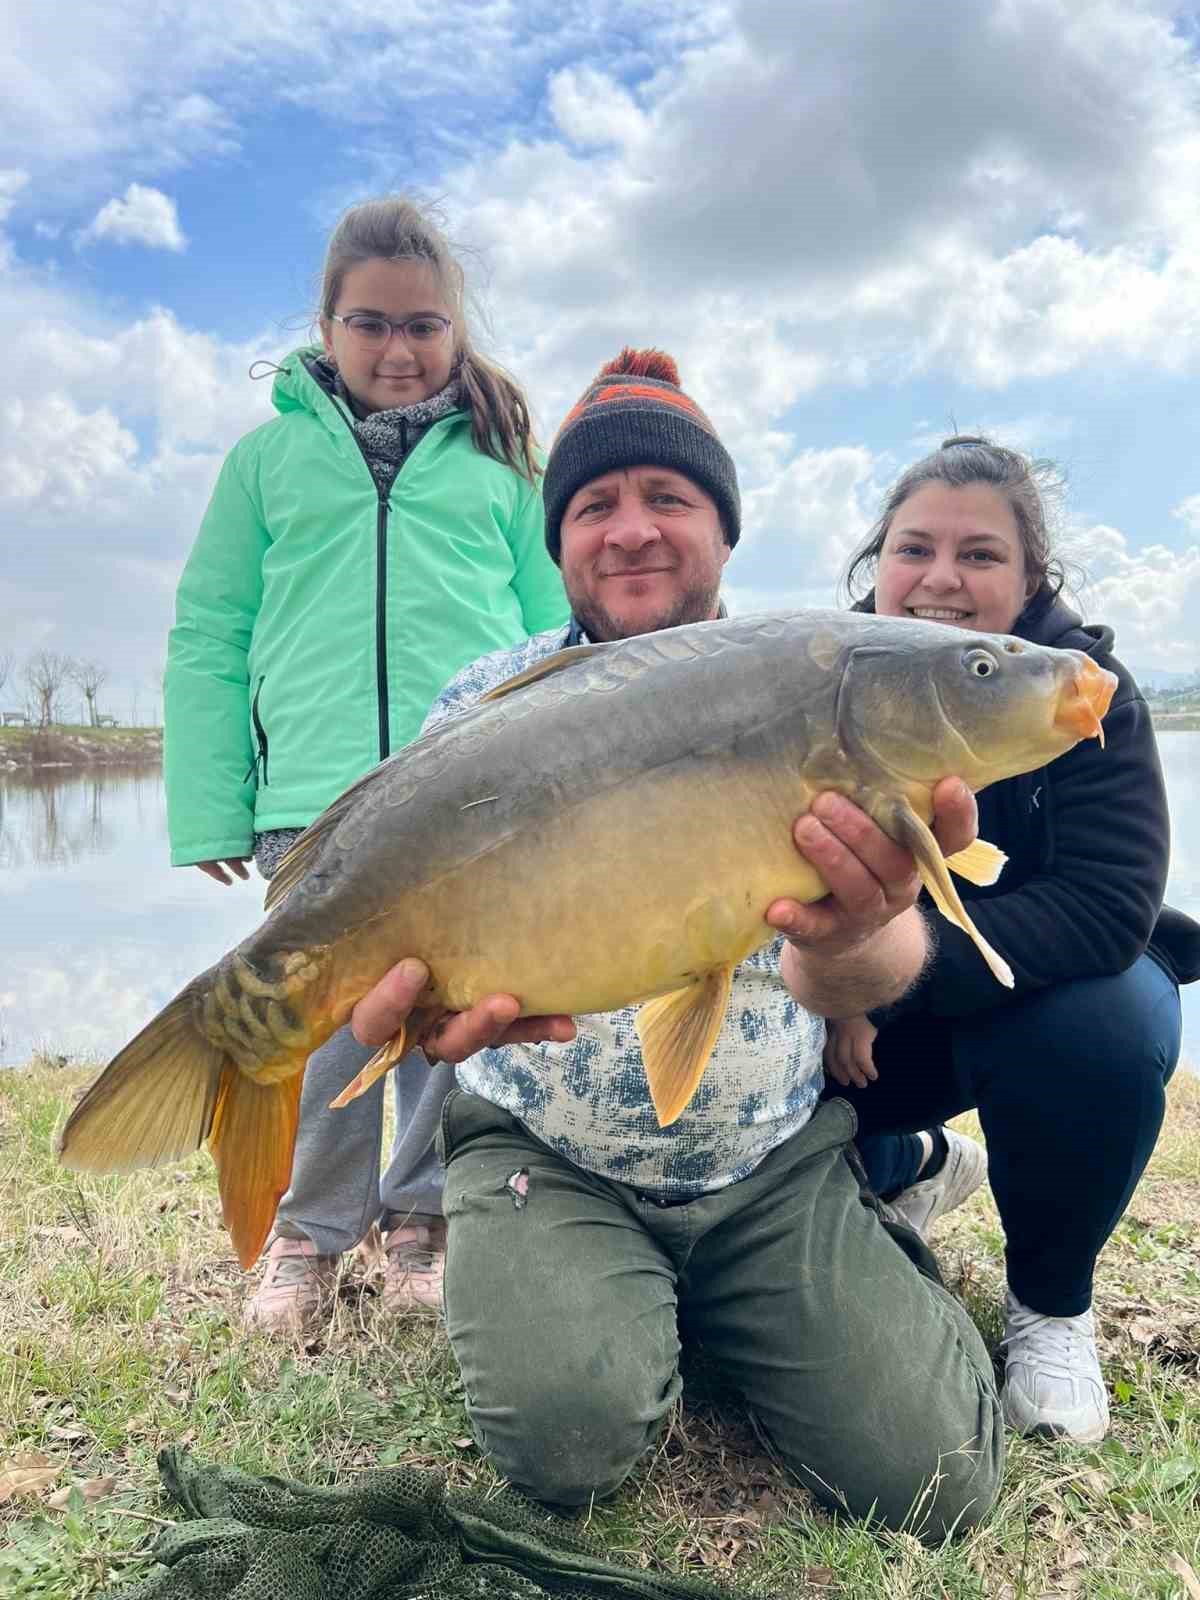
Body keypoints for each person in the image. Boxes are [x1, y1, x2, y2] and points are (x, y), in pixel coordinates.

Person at [340, 352, 1005, 1542]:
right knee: (569, 1444)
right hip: (546, 1146)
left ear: (726, 530)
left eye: (670, 498)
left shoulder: (826, 685)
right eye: (595, 505)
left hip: (767, 1154)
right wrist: (418, 1009)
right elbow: (418, 956)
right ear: (558, 542)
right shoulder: (483, 702)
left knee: (940, 1481)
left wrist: (857, 935)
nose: (631, 530)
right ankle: (596, 1291)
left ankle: (855, 1231)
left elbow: (863, 970)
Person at [163, 196, 568, 1333]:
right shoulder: (266, 462)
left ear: (458, 331)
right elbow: (212, 630)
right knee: (329, 1019)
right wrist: (210, 801)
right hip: (317, 801)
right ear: (327, 328)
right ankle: (308, 1231)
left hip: (472, 806)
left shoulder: (502, 464)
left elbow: (554, 638)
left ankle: (422, 1221)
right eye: (371, 324)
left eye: (424, 326)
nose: (399, 350)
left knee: (449, 1015)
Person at [824, 436, 1200, 1445]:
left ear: (1033, 577)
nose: (941, 578)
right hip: (847, 1024)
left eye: (981, 555)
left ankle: (1051, 1302)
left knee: (1110, 1023)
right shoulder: (817, 680)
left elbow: (1108, 903)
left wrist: (878, 971)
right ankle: (908, 1160)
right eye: (915, 549)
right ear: (879, 565)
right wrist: (818, 990)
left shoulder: (1085, 692)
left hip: (1029, 1004)